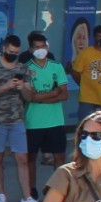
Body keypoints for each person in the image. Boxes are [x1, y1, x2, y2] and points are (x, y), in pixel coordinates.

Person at [0, 35, 39, 202]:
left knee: (22, 158)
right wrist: (5, 86)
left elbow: (30, 97)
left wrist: (23, 88)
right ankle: (0, 194)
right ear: (4, 48)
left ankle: (27, 197)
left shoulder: (23, 68)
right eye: (10, 52)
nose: (13, 54)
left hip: (17, 120)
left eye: (16, 52)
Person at [22, 31, 71, 167]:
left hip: (55, 121)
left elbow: (65, 95)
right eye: (37, 47)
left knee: (60, 159)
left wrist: (41, 99)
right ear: (31, 49)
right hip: (33, 122)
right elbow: (30, 97)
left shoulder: (56, 66)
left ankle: (57, 188)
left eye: (43, 46)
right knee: (30, 160)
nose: (41, 50)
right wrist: (54, 92)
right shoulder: (25, 68)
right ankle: (31, 189)